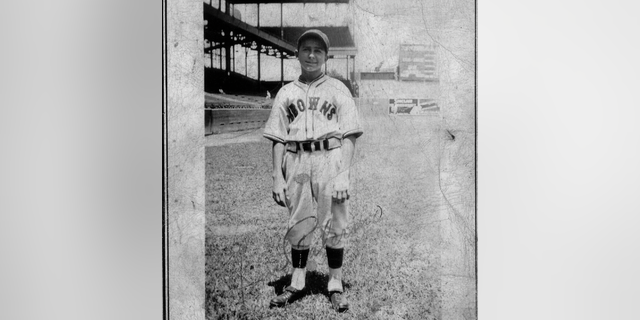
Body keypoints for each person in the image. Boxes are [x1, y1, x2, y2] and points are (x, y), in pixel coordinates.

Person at [263, 29, 363, 312]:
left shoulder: (338, 89)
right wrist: (277, 176)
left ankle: (335, 284)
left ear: (326, 57)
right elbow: (278, 138)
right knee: (299, 222)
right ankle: (297, 281)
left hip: (329, 158)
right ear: (297, 54)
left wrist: (343, 173)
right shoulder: (286, 92)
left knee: (334, 222)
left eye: (317, 50)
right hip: (295, 160)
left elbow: (350, 135)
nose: (311, 54)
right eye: (306, 49)